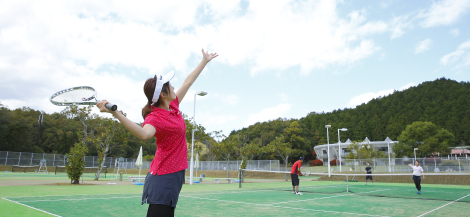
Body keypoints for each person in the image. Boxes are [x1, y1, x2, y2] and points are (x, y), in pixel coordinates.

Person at [97, 49, 218, 217]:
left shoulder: (173, 106)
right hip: (164, 176)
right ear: (163, 94)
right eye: (170, 86)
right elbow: (144, 134)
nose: (174, 87)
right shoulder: (155, 118)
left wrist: (204, 61)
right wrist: (116, 113)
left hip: (174, 174)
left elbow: (188, 82)